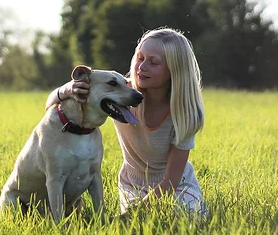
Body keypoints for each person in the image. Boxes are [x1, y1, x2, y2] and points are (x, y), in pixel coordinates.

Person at [45, 27, 207, 217]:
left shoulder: (184, 113)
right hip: (133, 184)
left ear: (174, 70)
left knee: (183, 215)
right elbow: (51, 105)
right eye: (140, 58)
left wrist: (127, 216)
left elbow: (170, 182)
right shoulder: (119, 93)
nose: (142, 66)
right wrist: (67, 89)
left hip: (177, 185)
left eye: (153, 62)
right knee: (141, 222)